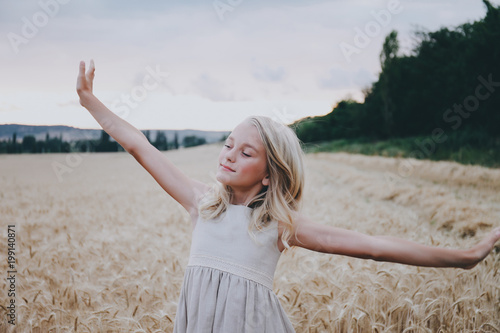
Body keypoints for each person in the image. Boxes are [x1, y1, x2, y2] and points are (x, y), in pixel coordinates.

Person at [76, 60, 500, 332]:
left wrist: (466, 257)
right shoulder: (200, 203)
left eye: (246, 152)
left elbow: (374, 248)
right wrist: (90, 101)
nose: (229, 155)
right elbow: (138, 144)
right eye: (228, 144)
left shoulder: (278, 226)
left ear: (268, 175)